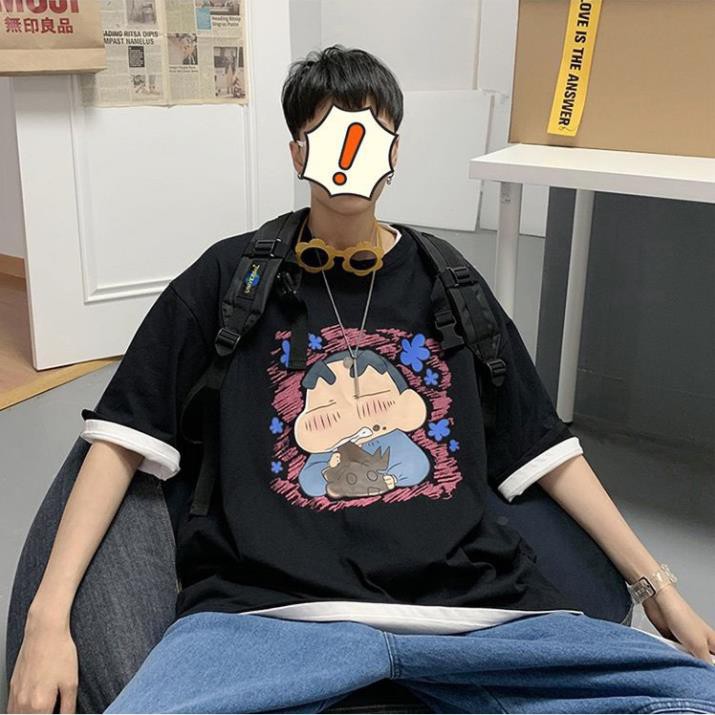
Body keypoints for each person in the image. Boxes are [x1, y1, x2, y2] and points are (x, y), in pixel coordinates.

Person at [8, 45, 715, 715]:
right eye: (326, 133)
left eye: (369, 131)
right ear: (296, 153)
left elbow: (544, 448)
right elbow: (121, 437)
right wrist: (48, 619)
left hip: (482, 620)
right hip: (264, 621)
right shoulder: (230, 279)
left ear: (394, 150)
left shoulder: (452, 283)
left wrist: (657, 588)